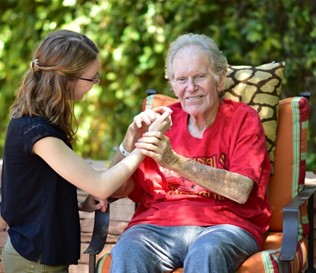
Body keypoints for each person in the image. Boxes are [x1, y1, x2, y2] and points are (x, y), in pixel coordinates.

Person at [0, 29, 172, 273]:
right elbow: (101, 185)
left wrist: (131, 137)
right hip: (34, 263)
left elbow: (40, 190)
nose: (95, 84)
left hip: (38, 258)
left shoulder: (38, 124)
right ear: (66, 79)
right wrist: (148, 143)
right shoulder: (37, 133)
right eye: (92, 78)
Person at [108, 33, 271, 273]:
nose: (190, 88)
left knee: (206, 251)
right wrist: (130, 137)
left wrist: (174, 161)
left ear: (220, 78)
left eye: (200, 77)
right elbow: (114, 189)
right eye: (181, 79)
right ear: (172, 83)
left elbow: (240, 190)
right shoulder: (161, 121)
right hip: (156, 227)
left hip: (225, 226)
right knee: (127, 250)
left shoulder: (243, 119)